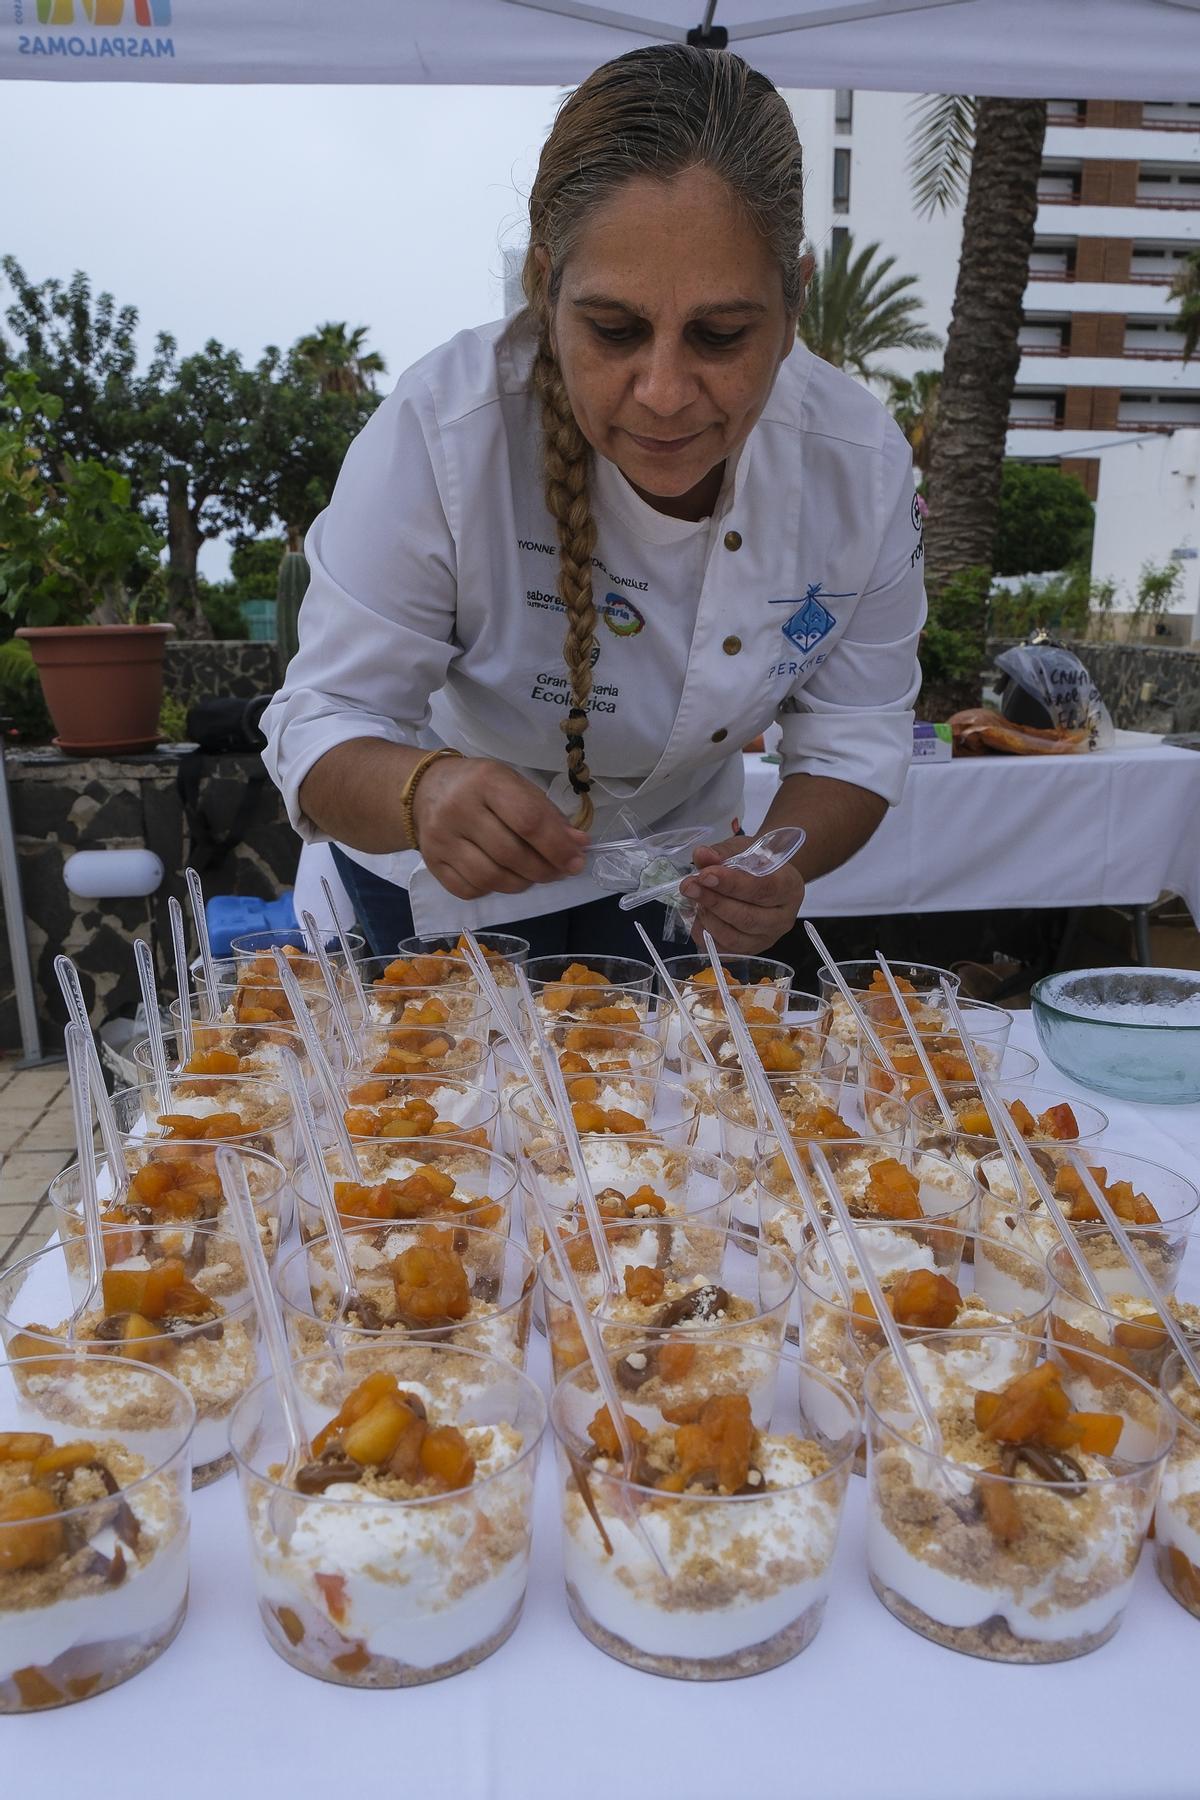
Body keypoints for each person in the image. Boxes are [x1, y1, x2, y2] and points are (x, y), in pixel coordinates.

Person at [262, 44, 925, 962]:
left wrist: (781, 863)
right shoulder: (445, 429)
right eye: (612, 330)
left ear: (796, 300)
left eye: (721, 334)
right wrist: (424, 792)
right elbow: (324, 719)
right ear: (544, 286)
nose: (662, 390)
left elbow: (855, 740)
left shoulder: (862, 469)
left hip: (679, 873)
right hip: (441, 884)